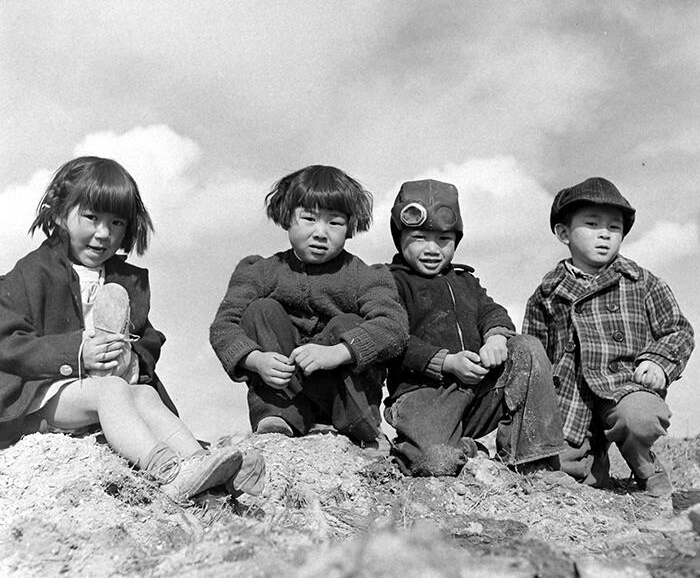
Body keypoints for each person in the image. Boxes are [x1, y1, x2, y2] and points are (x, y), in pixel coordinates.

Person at [0, 156, 263, 502]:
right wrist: (76, 351)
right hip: (38, 398)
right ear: (60, 213)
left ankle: (201, 463)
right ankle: (166, 469)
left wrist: (133, 359)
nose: (104, 233)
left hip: (104, 392)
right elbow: (7, 342)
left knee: (144, 394)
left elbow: (149, 336)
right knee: (111, 390)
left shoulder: (125, 280)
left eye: (117, 223)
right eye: (91, 218)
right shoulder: (31, 273)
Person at [210, 165, 408, 446]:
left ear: (350, 227)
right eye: (309, 218)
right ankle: (277, 416)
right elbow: (223, 325)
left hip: (345, 399)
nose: (320, 232)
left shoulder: (365, 275)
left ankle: (357, 427)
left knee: (348, 323)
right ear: (288, 218)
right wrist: (255, 360)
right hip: (284, 388)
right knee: (260, 310)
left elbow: (394, 326)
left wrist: (340, 352)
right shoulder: (260, 272)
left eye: (335, 223)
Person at [522, 177, 694, 496]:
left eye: (614, 228)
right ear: (563, 233)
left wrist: (658, 362)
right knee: (561, 471)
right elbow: (536, 354)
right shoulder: (547, 294)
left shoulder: (641, 282)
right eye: (592, 224)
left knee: (639, 418)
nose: (604, 234)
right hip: (570, 395)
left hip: (625, 383)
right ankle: (591, 464)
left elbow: (678, 330)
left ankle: (647, 470)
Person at [383, 179, 564, 476]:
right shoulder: (387, 282)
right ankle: (460, 449)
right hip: (423, 397)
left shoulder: (466, 281)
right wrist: (447, 362)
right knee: (435, 461)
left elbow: (491, 311)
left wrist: (495, 338)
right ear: (398, 236)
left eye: (443, 239)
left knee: (526, 347)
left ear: (456, 239)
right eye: (418, 237)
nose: (432, 249)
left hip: (477, 393)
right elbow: (392, 340)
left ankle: (535, 462)